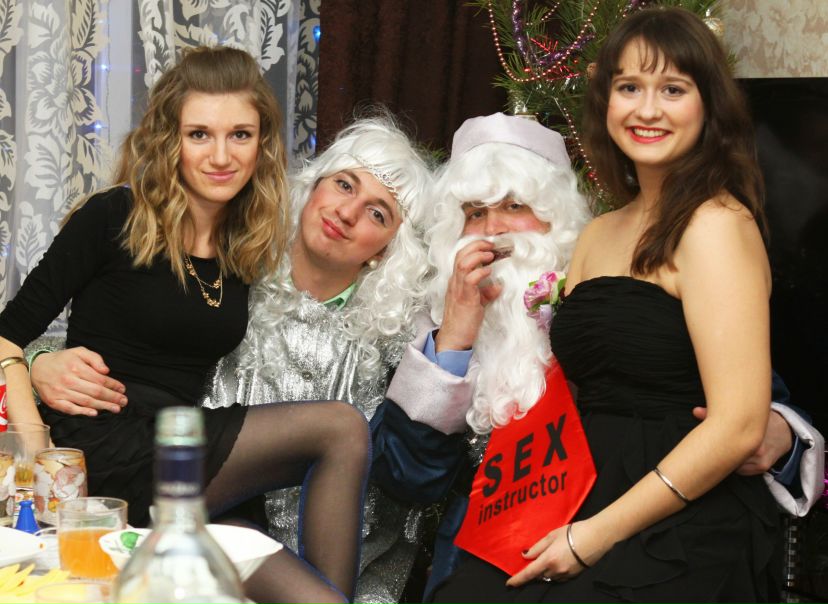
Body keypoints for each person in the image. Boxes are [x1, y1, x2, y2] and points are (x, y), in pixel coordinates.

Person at [372, 110, 824, 603]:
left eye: (514, 205)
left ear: (556, 217)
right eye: (474, 213)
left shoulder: (603, 303)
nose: (493, 230)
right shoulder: (431, 325)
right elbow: (406, 479)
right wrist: (455, 338)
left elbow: (741, 396)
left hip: (637, 522)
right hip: (492, 547)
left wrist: (779, 432)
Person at [428, 7, 791, 602]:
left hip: (679, 515)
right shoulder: (599, 234)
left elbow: (739, 424)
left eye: (672, 89)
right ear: (607, 103)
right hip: (575, 488)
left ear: (708, 106)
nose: (647, 109)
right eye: (629, 88)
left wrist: (594, 536)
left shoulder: (718, 225)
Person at [0, 46, 369, 604]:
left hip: (185, 461)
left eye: (240, 135)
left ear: (262, 143)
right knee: (340, 427)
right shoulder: (114, 216)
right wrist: (38, 444)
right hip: (108, 449)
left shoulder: (245, 242)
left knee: (320, 601)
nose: (221, 156)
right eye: (200, 134)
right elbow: (6, 335)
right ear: (169, 140)